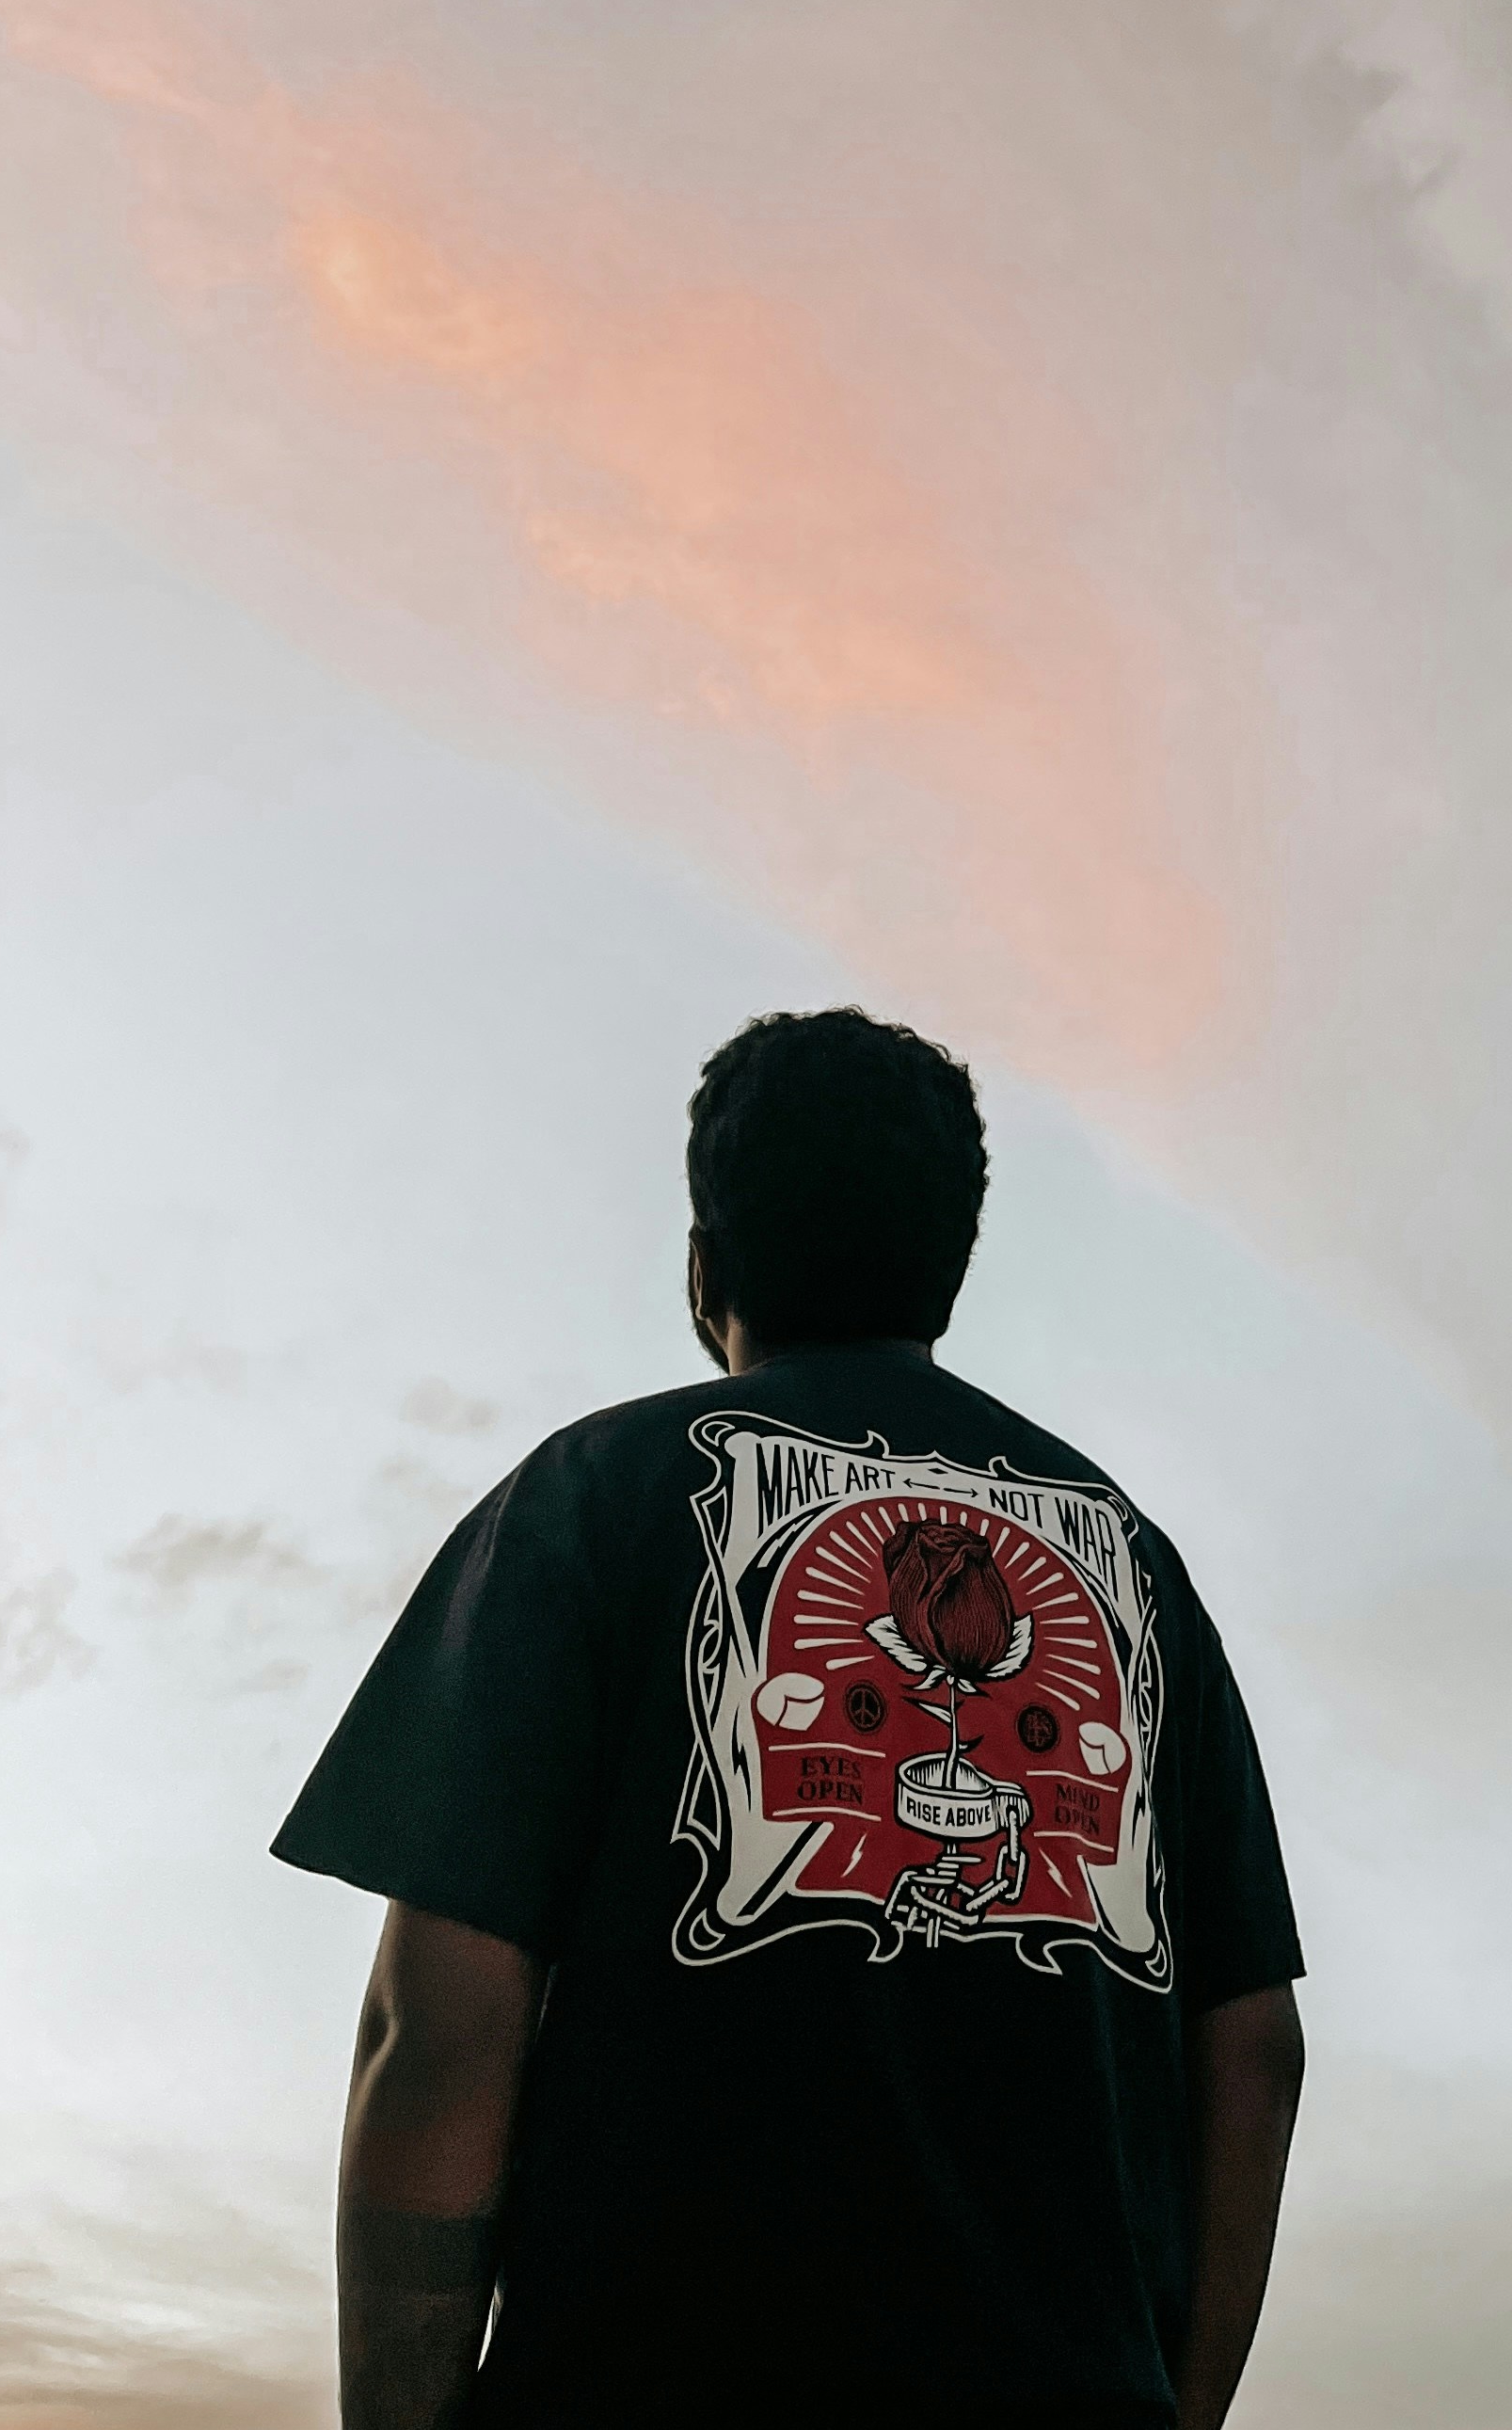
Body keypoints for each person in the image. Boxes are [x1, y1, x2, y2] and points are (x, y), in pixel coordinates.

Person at [274, 1005, 1306, 2430]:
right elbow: (1252, 2049)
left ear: (706, 1266)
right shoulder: (1129, 1562)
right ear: (949, 1270)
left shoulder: (587, 1499)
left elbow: (437, 2024)